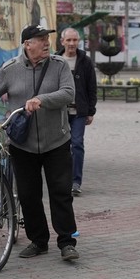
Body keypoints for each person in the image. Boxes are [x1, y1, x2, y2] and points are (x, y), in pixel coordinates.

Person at [0, 24, 80, 261]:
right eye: (40, 39)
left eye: (47, 39)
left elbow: (69, 93)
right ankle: (38, 241)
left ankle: (67, 242)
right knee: (28, 195)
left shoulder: (59, 66)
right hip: (22, 144)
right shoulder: (10, 69)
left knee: (60, 193)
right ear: (27, 45)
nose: (46, 43)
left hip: (56, 141)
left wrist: (41, 99)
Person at [57, 27, 97, 196]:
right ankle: (61, 180)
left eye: (75, 40)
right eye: (69, 40)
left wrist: (91, 111)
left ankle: (75, 181)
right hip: (59, 113)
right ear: (62, 42)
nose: (72, 44)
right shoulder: (55, 61)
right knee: (60, 147)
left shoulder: (85, 61)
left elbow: (91, 87)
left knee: (77, 144)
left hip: (79, 112)